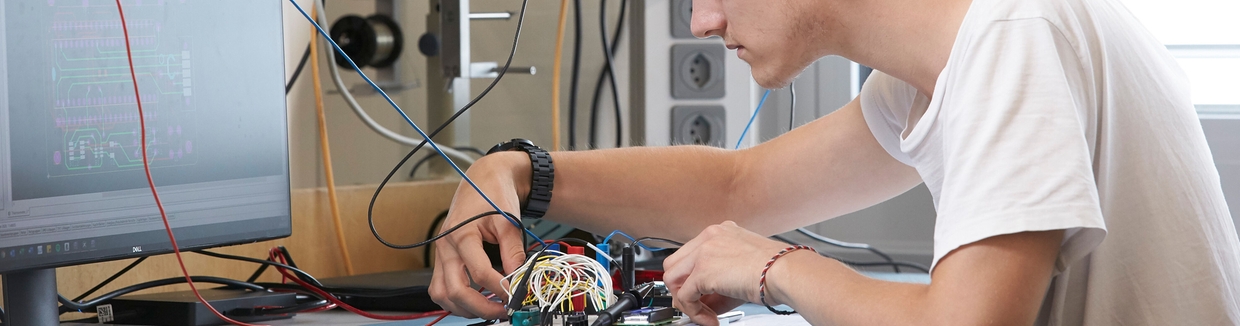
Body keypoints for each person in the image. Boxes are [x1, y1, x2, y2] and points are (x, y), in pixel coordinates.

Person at [428, 0, 1240, 324]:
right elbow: (741, 185)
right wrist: (514, 172)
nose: (705, 21)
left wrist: (773, 266)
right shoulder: (933, 72)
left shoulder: (1012, 35)